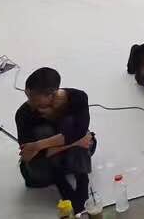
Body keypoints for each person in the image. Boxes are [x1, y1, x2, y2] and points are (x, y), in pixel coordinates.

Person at [16, 67, 96, 212]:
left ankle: (82, 182)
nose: (30, 101)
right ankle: (61, 183)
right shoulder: (24, 114)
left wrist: (39, 145)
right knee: (43, 131)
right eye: (27, 95)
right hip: (44, 166)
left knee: (70, 123)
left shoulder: (77, 97)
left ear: (51, 94)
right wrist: (74, 142)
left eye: (33, 97)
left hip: (68, 156)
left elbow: (79, 132)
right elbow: (30, 156)